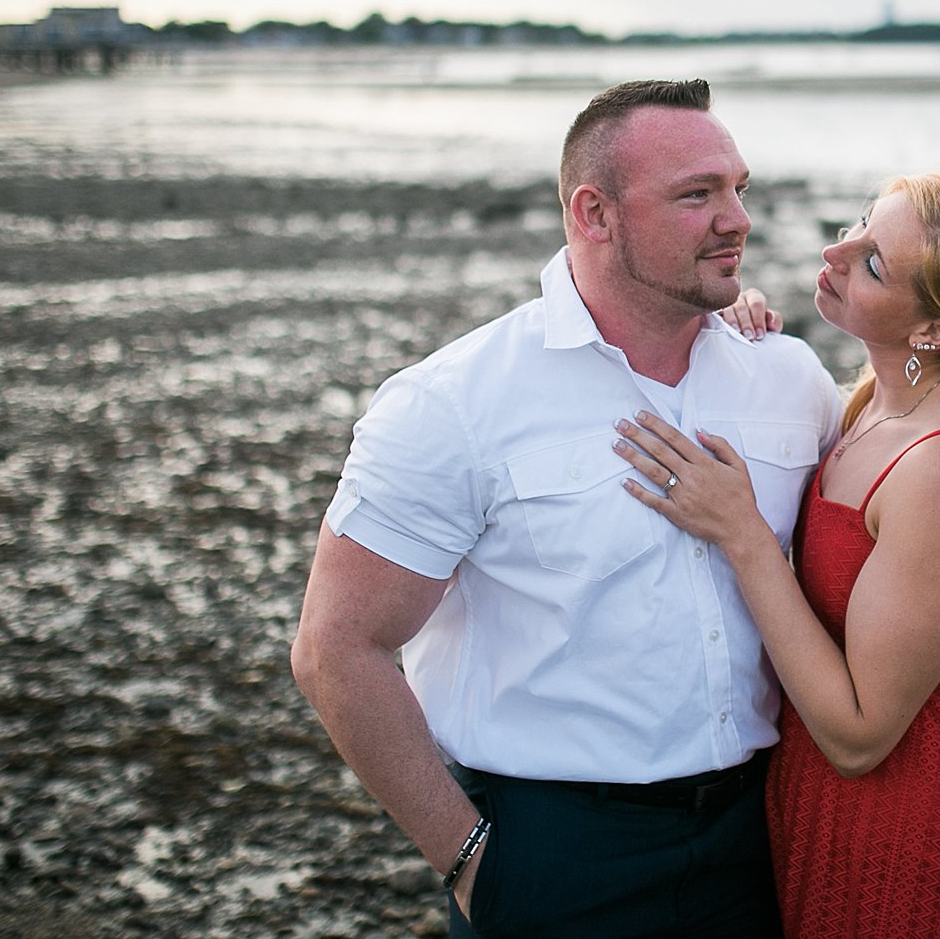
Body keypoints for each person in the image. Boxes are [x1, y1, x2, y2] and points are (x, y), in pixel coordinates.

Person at [290, 79, 844, 937]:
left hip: (765, 835)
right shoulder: (455, 403)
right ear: (595, 214)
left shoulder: (789, 379)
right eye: (697, 194)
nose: (737, 219)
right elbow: (335, 649)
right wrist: (470, 859)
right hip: (557, 858)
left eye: (739, 188)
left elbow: (882, 572)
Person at [613, 170, 940, 938]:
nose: (834, 250)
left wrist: (742, 535)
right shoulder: (886, 393)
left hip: (908, 829)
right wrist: (727, 336)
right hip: (816, 804)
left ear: (936, 331)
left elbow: (857, 734)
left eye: (874, 261)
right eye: (858, 224)